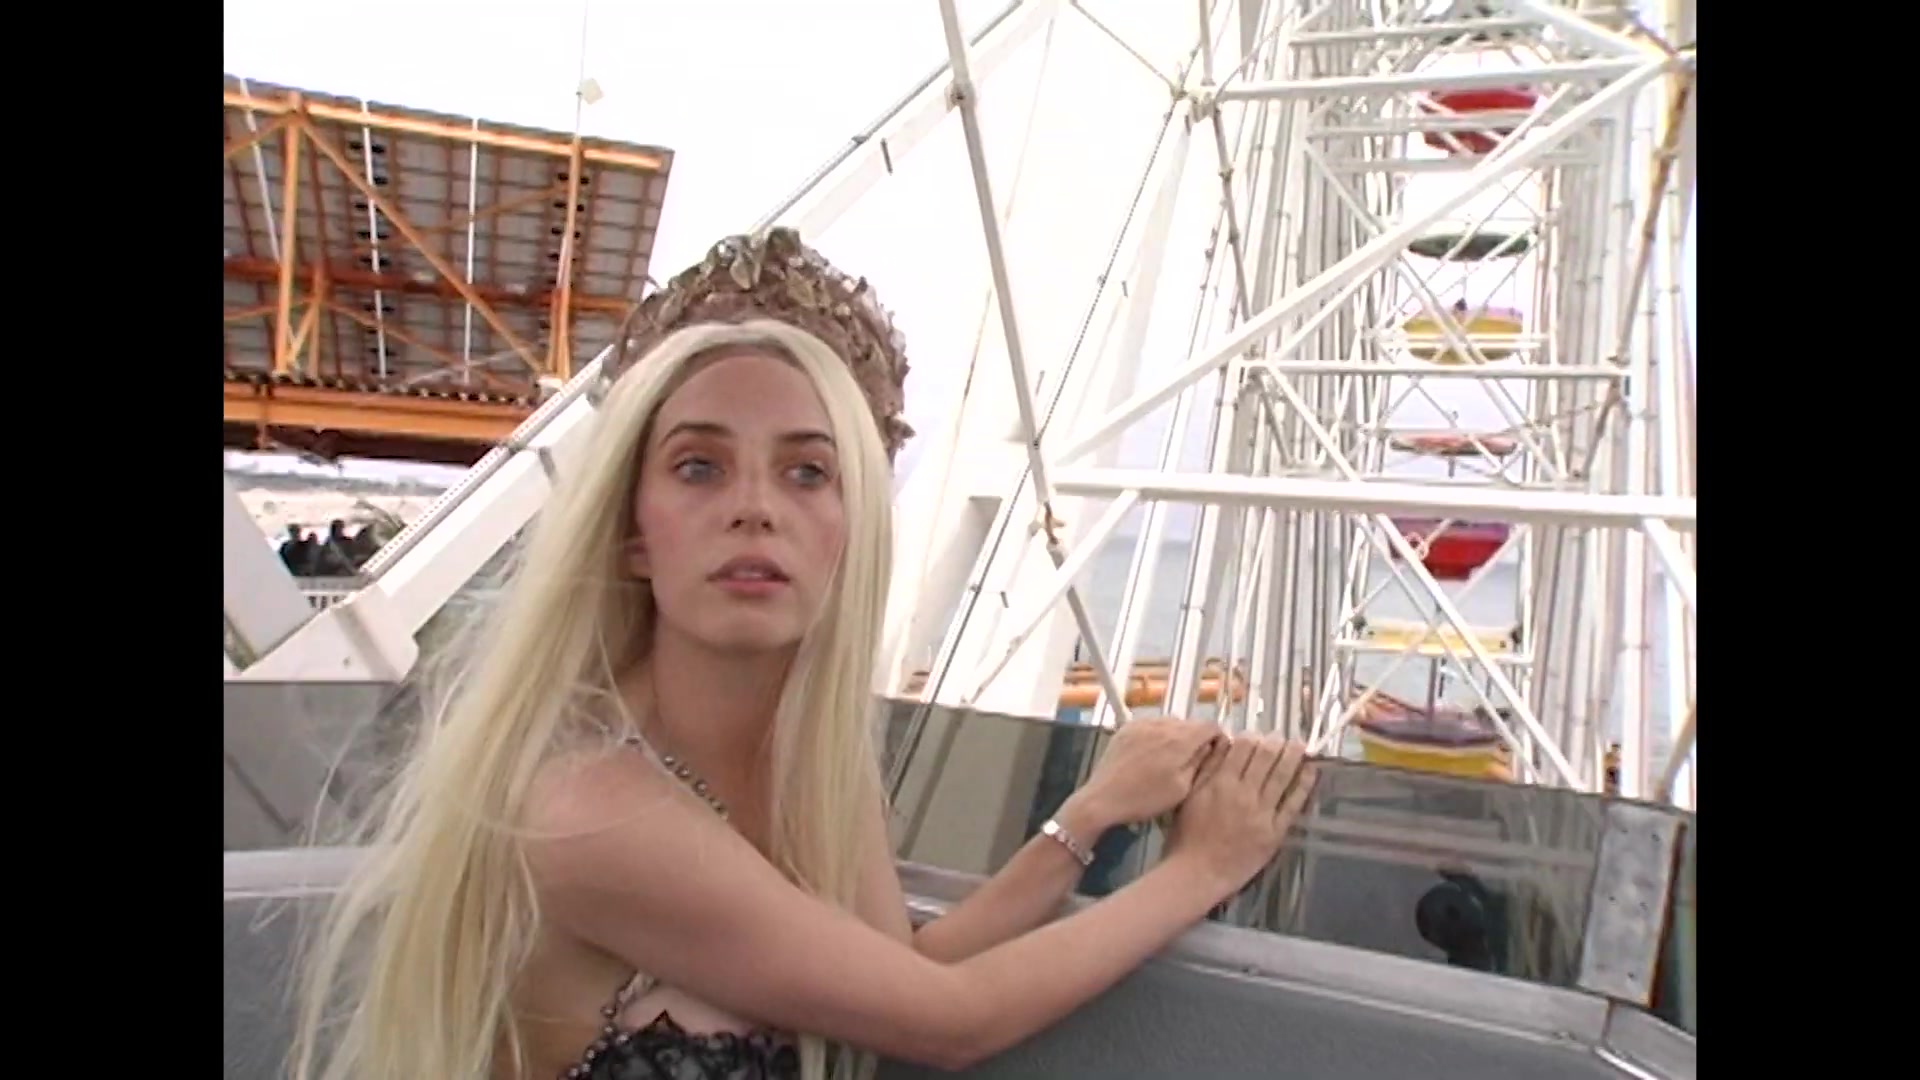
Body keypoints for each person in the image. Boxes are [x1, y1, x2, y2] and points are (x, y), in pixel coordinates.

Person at [291, 228, 1316, 1080]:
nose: (754, 508)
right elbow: (948, 1020)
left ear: (851, 529)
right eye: (700, 467)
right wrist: (1202, 868)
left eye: (807, 472)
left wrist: (1086, 817)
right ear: (633, 532)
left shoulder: (807, 755)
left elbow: (900, 971)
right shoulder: (590, 808)